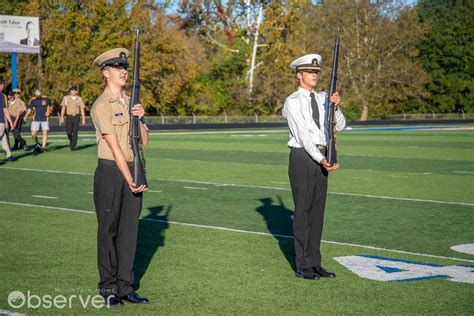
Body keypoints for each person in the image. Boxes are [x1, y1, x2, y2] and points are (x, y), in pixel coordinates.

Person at [91, 48, 149, 306]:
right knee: (109, 232)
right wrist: (130, 178)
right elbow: (114, 147)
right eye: (117, 67)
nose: (123, 71)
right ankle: (108, 289)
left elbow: (145, 141)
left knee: (129, 232)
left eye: (125, 67)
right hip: (112, 172)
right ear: (106, 73)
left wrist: (141, 117)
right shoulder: (101, 105)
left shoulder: (130, 103)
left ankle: (126, 287)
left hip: (133, 168)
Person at [282, 54, 346, 280]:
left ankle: (315, 263)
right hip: (303, 156)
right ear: (299, 75)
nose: (314, 75)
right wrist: (321, 158)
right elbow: (302, 134)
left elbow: (341, 125)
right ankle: (303, 266)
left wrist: (336, 107)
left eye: (317, 72)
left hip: (321, 155)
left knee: (317, 214)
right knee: (303, 213)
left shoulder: (323, 98)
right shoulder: (293, 101)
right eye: (310, 72)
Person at [24, 89, 52, 154]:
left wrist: (49, 112)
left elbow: (51, 106)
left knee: (45, 133)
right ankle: (37, 144)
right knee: (33, 134)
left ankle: (43, 147)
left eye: (39, 95)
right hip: (35, 119)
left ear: (41, 93)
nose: (38, 96)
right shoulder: (33, 100)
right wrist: (26, 116)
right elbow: (29, 109)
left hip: (45, 119)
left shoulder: (46, 99)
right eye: (37, 95)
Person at [60, 86, 86, 151]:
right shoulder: (66, 98)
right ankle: (71, 140)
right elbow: (63, 108)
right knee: (68, 132)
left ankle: (73, 146)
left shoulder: (79, 98)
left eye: (74, 90)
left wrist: (83, 119)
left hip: (77, 117)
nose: (72, 92)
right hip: (69, 117)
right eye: (71, 90)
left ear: (76, 91)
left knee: (75, 131)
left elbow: (82, 108)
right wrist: (62, 117)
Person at [0, 79, 16, 161]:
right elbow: (5, 110)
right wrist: (10, 122)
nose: (4, 87)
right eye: (4, 85)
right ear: (1, 85)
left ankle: (9, 155)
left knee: (4, 138)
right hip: (0, 122)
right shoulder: (2, 96)